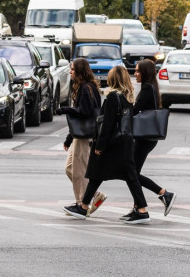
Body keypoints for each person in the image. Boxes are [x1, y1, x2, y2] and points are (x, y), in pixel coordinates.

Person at [63, 66, 150, 224]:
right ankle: (141, 209)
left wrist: (99, 146)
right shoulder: (127, 97)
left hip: (112, 144)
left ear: (113, 79)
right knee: (123, 176)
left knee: (97, 172)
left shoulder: (112, 97)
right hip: (125, 143)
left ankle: (83, 207)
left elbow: (107, 124)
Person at [127, 60, 175, 219]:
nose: (135, 74)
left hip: (144, 137)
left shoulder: (148, 88)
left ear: (145, 73)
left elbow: (134, 110)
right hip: (147, 137)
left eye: (138, 71)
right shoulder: (152, 87)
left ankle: (163, 194)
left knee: (131, 173)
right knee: (132, 173)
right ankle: (138, 207)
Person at [60, 58, 105, 213]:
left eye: (72, 69)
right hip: (80, 135)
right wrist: (69, 137)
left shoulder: (86, 88)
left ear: (79, 71)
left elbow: (85, 113)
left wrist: (65, 110)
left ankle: (81, 204)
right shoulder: (86, 87)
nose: (70, 72)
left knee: (79, 171)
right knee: (70, 168)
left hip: (85, 136)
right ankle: (94, 195)